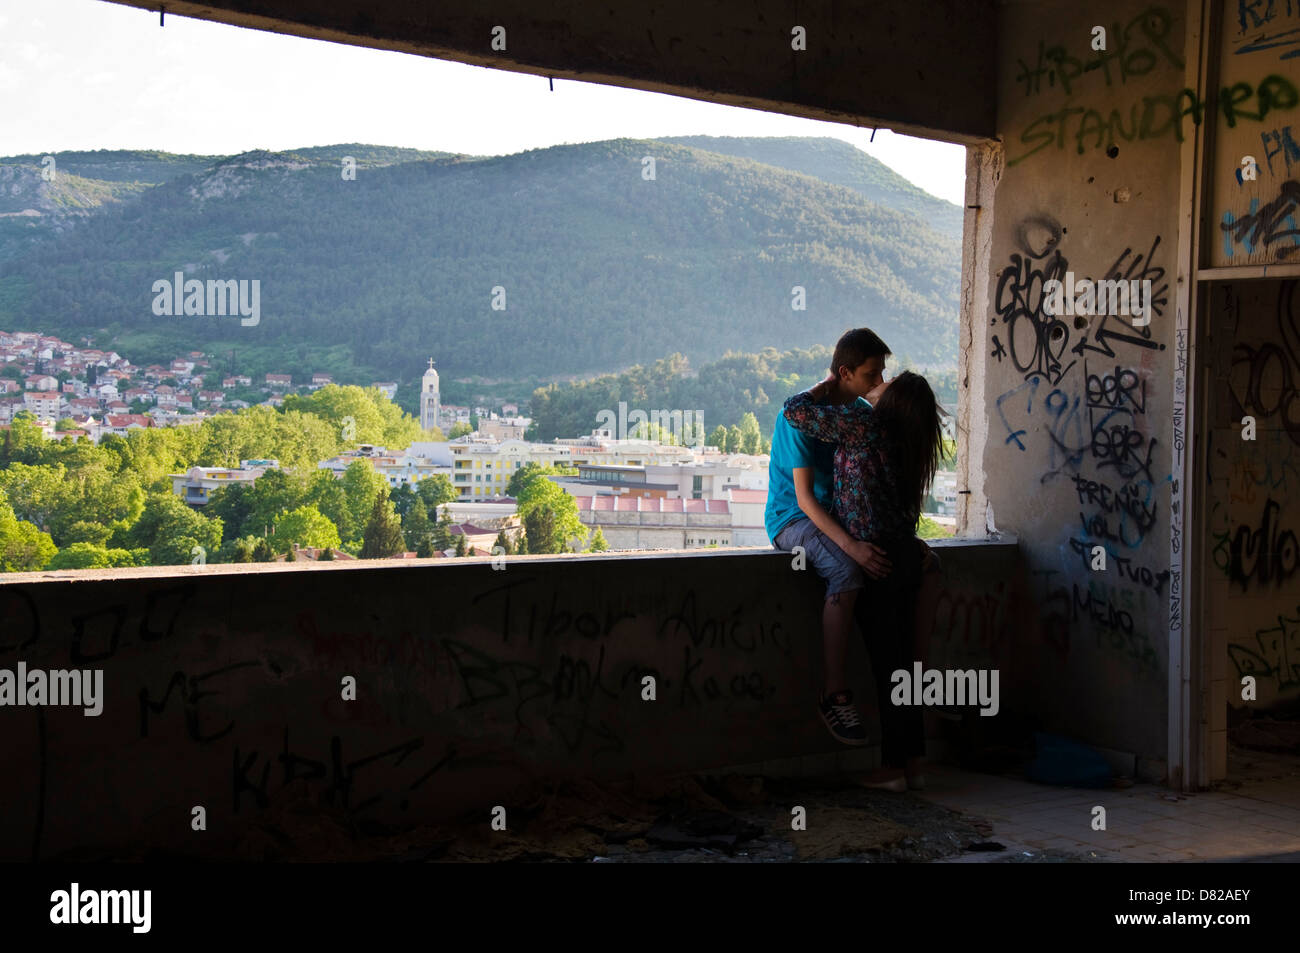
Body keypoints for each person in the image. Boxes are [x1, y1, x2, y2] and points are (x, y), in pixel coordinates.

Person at [783, 370, 946, 791]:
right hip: (908, 552)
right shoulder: (915, 440)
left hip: (876, 557)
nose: (882, 380)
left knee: (889, 665)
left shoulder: (865, 427)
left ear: (896, 402)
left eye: (889, 382)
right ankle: (914, 764)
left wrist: (827, 383)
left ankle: (894, 769)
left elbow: (795, 411)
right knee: (905, 663)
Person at [765, 329, 894, 746]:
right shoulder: (800, 418)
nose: (879, 382)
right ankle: (833, 694)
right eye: (871, 374)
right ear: (845, 372)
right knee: (845, 569)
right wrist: (852, 546)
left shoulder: (858, 412)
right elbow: (804, 500)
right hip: (792, 519)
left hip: (836, 516)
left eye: (882, 374)